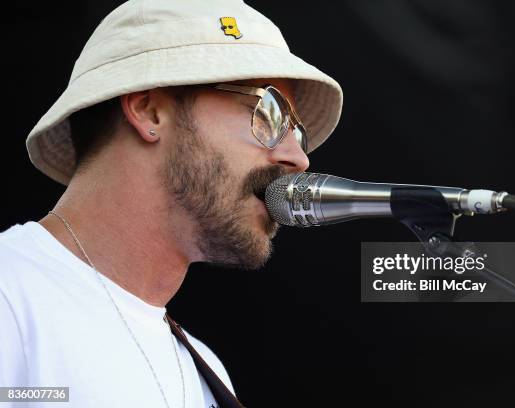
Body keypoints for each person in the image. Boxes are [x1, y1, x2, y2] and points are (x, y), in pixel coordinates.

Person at [0, 0, 342, 406]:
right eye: (267, 112)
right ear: (149, 111)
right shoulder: (11, 294)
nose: (298, 158)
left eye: (296, 132)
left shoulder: (205, 375)